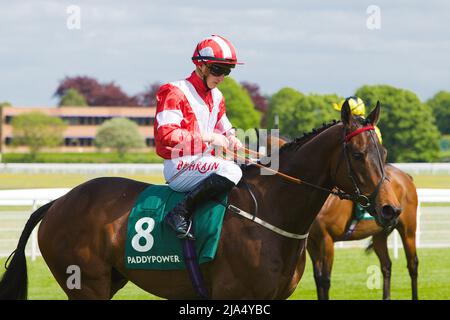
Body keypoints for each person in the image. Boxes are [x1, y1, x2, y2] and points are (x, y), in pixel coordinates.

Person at [154, 35, 244, 240]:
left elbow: (225, 127)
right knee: (230, 169)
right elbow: (166, 134)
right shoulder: (174, 91)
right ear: (200, 66)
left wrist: (232, 138)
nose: (221, 77)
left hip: (204, 162)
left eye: (227, 71)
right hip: (179, 165)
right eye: (217, 70)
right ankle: (179, 213)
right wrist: (209, 137)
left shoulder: (217, 96)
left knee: (251, 167)